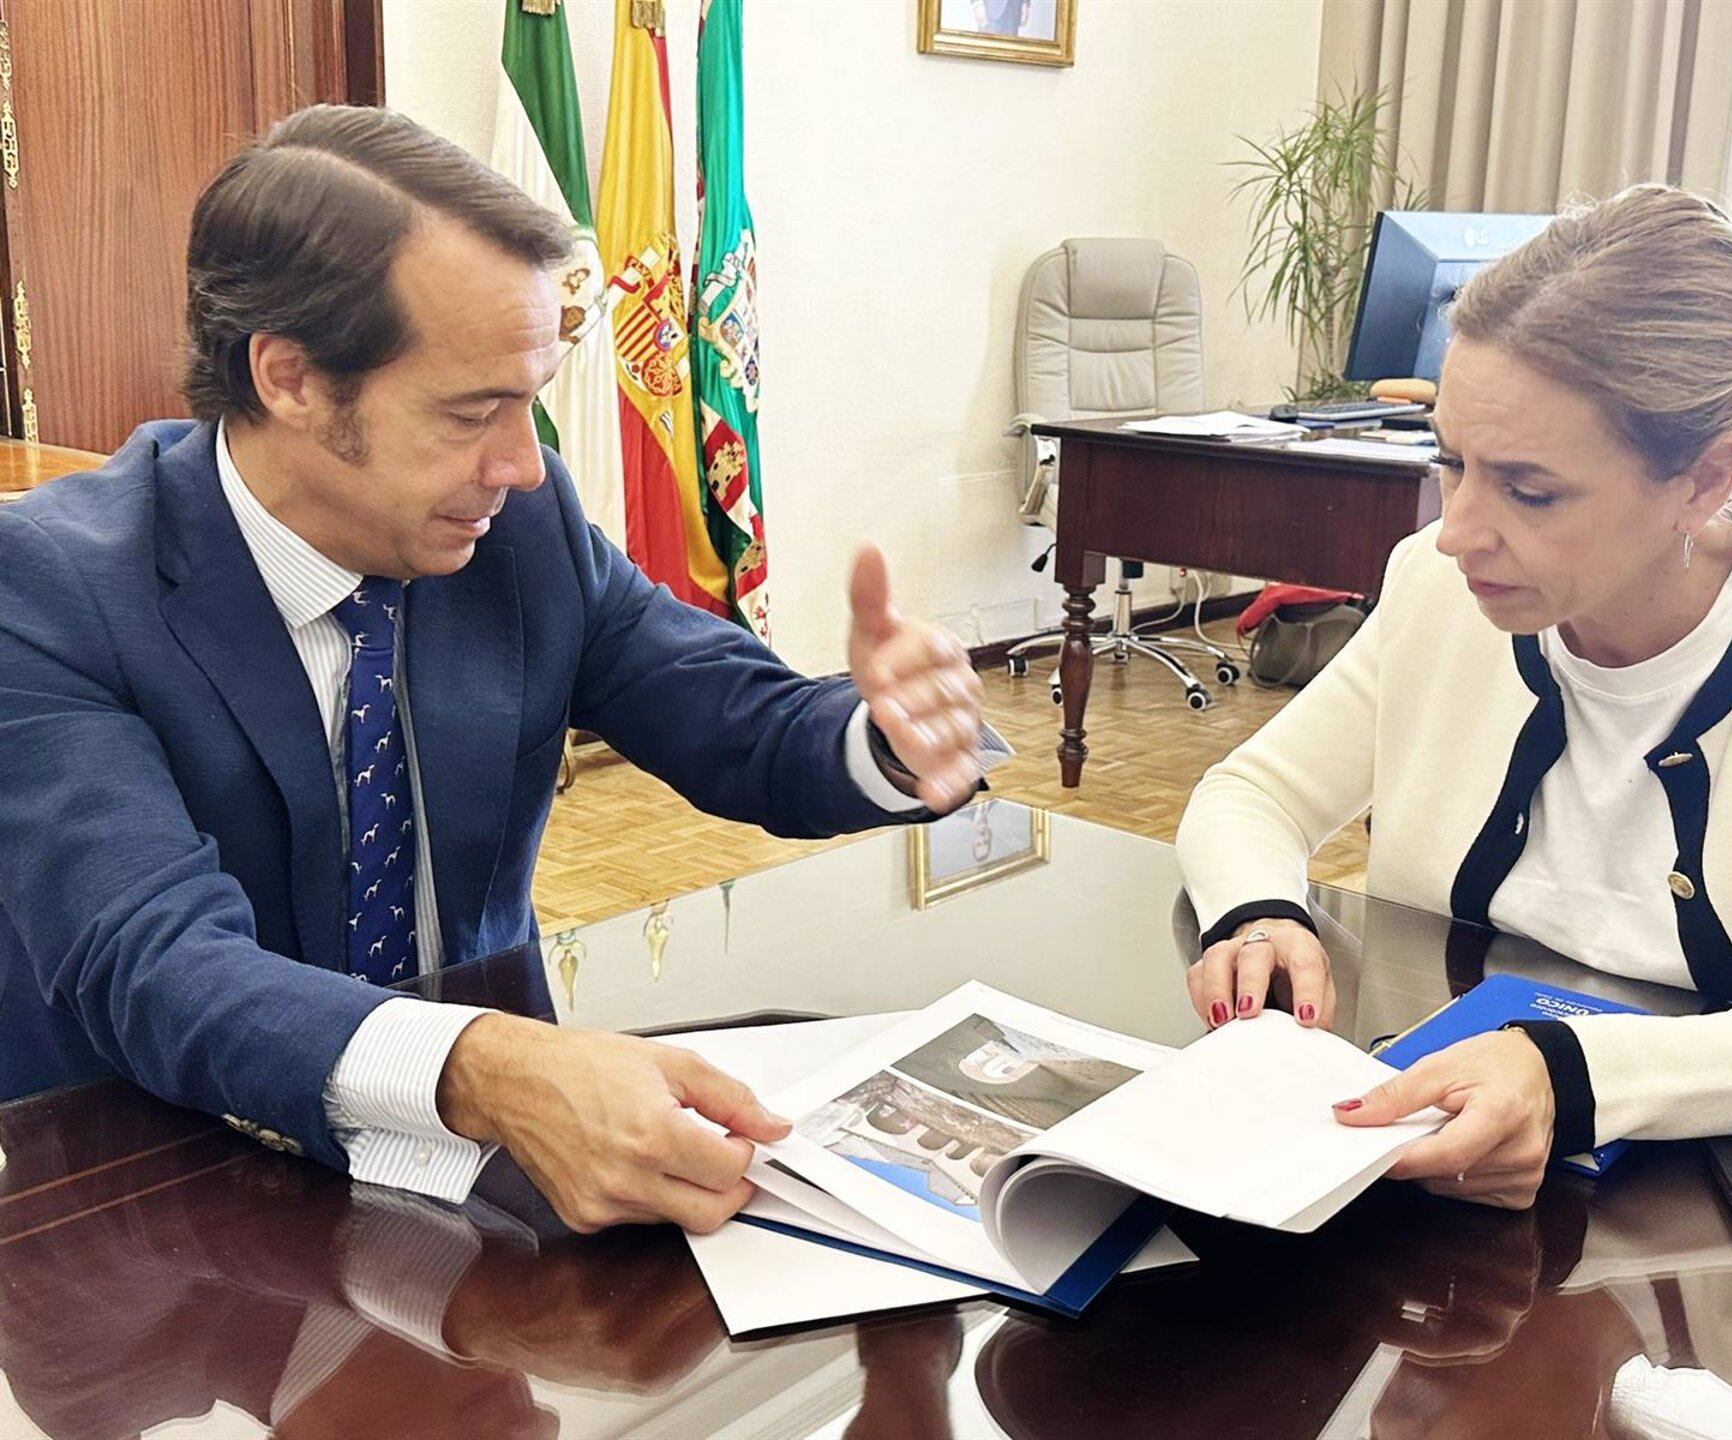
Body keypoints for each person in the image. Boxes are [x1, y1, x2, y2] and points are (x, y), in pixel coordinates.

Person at [0, 106, 990, 1235]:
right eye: (475, 411)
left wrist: (883, 732)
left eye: (532, 402)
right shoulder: (48, 587)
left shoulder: (519, 529)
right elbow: (152, 961)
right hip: (152, 1201)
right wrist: (491, 1066)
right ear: (291, 380)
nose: (524, 464)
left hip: (484, 1171)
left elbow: (731, 718)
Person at [1177, 184, 1732, 1210]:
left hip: (1719, 1227)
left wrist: (1568, 1073)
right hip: (1439, 1182)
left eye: (1529, 491)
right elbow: (1250, 795)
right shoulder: (1437, 590)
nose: (1457, 531)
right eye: (1452, 464)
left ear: (1706, 480)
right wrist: (1259, 912)